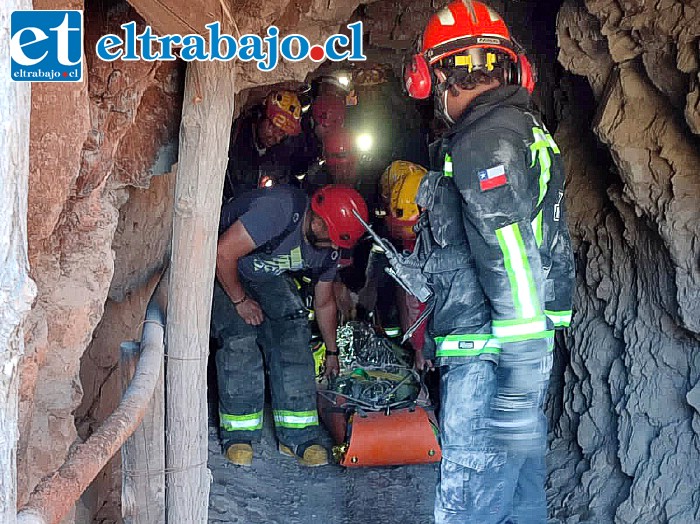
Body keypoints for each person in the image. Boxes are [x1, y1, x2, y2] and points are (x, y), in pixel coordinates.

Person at [403, 1, 574, 522]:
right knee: (519, 499)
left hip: (492, 357)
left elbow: (509, 252)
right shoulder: (519, 126)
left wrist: (520, 361)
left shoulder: (483, 142)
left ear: (433, 78)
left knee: (470, 501)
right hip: (518, 347)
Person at [212, 184, 369, 467]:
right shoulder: (278, 210)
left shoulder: (329, 250)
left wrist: (332, 353)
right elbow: (222, 254)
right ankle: (239, 435)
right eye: (332, 239)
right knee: (241, 336)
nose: (334, 248)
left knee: (294, 327)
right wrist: (240, 301)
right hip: (219, 267)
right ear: (317, 220)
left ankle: (299, 435)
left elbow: (323, 303)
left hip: (264, 272)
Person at [223, 89, 304, 200]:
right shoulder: (237, 136)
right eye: (272, 127)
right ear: (261, 114)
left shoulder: (280, 154)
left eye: (282, 133)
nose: (277, 137)